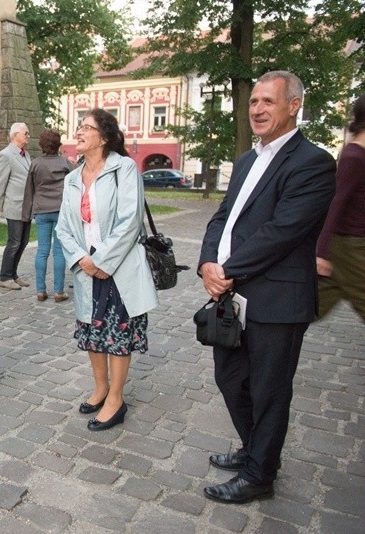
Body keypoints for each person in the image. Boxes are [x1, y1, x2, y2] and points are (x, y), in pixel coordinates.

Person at [198, 71, 336, 504]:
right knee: (230, 378)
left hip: (278, 299)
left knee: (269, 390)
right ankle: (253, 448)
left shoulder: (313, 162)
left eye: (268, 102)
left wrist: (227, 269)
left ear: (294, 105)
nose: (257, 109)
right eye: (253, 101)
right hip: (233, 294)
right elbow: (224, 216)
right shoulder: (244, 160)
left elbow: (284, 231)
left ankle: (260, 474)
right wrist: (207, 261)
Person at [56, 109, 157, 432]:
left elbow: (130, 221)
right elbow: (63, 228)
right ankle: (100, 388)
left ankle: (116, 398)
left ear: (105, 137)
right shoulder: (72, 178)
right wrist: (83, 260)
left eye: (87, 127)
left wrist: (102, 261)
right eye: (79, 126)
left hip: (119, 266)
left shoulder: (123, 169)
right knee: (92, 331)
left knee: (119, 333)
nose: (80, 132)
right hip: (86, 268)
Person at [315, 92, 365, 322]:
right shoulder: (354, 156)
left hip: (350, 248)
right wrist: (322, 253)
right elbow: (335, 203)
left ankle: (263, 335)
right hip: (350, 248)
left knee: (310, 305)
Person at [21, 128, 73, 302]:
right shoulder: (65, 164)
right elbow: (75, 186)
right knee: (59, 252)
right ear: (58, 144)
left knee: (42, 250)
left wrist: (25, 215)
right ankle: (59, 292)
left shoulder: (35, 164)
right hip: (61, 211)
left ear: (41, 144)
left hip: (41, 211)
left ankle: (40, 291)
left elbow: (29, 190)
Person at [0, 122, 32, 290]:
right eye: (26, 133)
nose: (28, 136)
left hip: (26, 206)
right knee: (14, 242)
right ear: (15, 135)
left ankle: (13, 274)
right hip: (13, 206)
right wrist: (2, 205)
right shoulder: (6, 155)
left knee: (23, 242)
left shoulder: (25, 155)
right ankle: (5, 276)